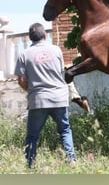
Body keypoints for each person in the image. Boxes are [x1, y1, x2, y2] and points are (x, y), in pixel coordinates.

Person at [14, 23, 77, 168]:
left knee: (32, 136)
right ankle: (71, 159)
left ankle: (30, 166)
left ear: (30, 38)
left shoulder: (24, 54)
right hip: (59, 98)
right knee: (65, 130)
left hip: (38, 100)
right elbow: (61, 71)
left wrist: (31, 90)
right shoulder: (56, 50)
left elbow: (21, 80)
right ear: (45, 35)